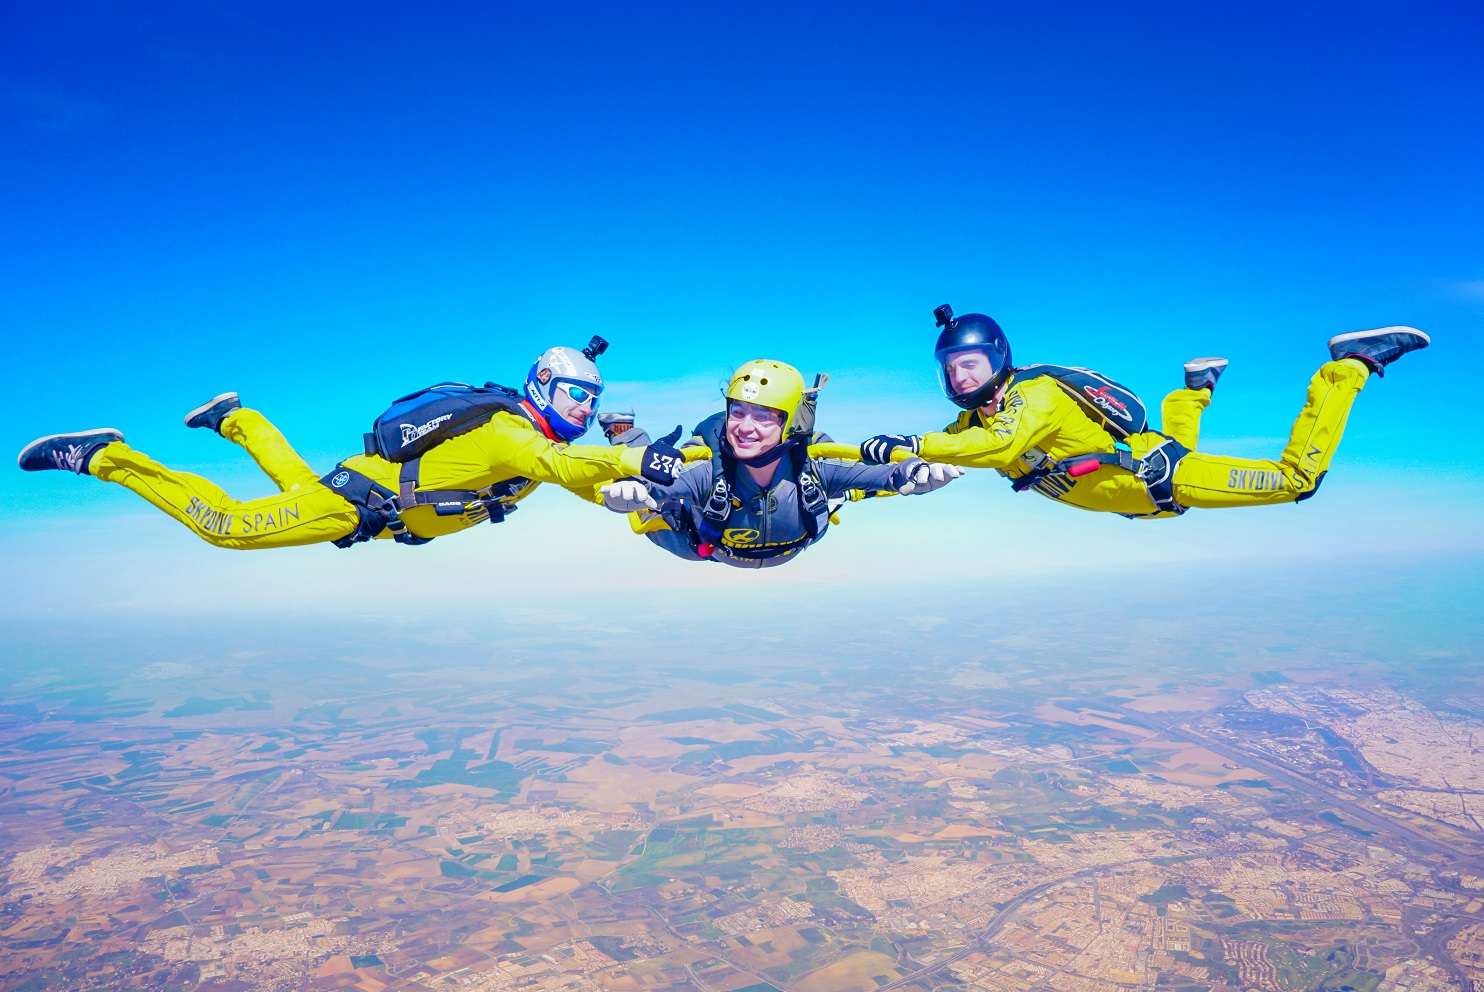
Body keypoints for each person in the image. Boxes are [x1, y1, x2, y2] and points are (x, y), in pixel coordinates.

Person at [17, 342, 686, 549]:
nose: (588, 408)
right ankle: (105, 457)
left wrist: (628, 494)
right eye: (578, 395)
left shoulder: (531, 434)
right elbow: (560, 464)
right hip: (356, 506)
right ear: (543, 385)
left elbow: (581, 478)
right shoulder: (513, 431)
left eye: (594, 399)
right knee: (228, 529)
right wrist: (638, 459)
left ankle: (234, 419)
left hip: (359, 494)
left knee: (296, 484)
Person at [855, 304, 1430, 518]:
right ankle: (1193, 390)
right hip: (1152, 485)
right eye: (951, 368)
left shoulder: (1033, 399)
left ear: (1000, 357)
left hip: (1169, 480)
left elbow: (997, 450)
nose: (960, 377)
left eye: (971, 363)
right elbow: (950, 449)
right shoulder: (973, 422)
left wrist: (908, 443)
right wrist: (840, 461)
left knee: (1297, 481)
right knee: (1173, 441)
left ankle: (1347, 366)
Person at [597, 359, 962, 567]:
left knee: (849, 492)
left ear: (791, 423)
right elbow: (660, 488)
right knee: (640, 485)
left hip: (787, 540)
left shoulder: (812, 465)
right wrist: (631, 492)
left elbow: (874, 472)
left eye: (764, 416)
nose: (745, 428)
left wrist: (914, 472)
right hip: (699, 544)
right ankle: (623, 431)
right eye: (737, 411)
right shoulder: (708, 467)